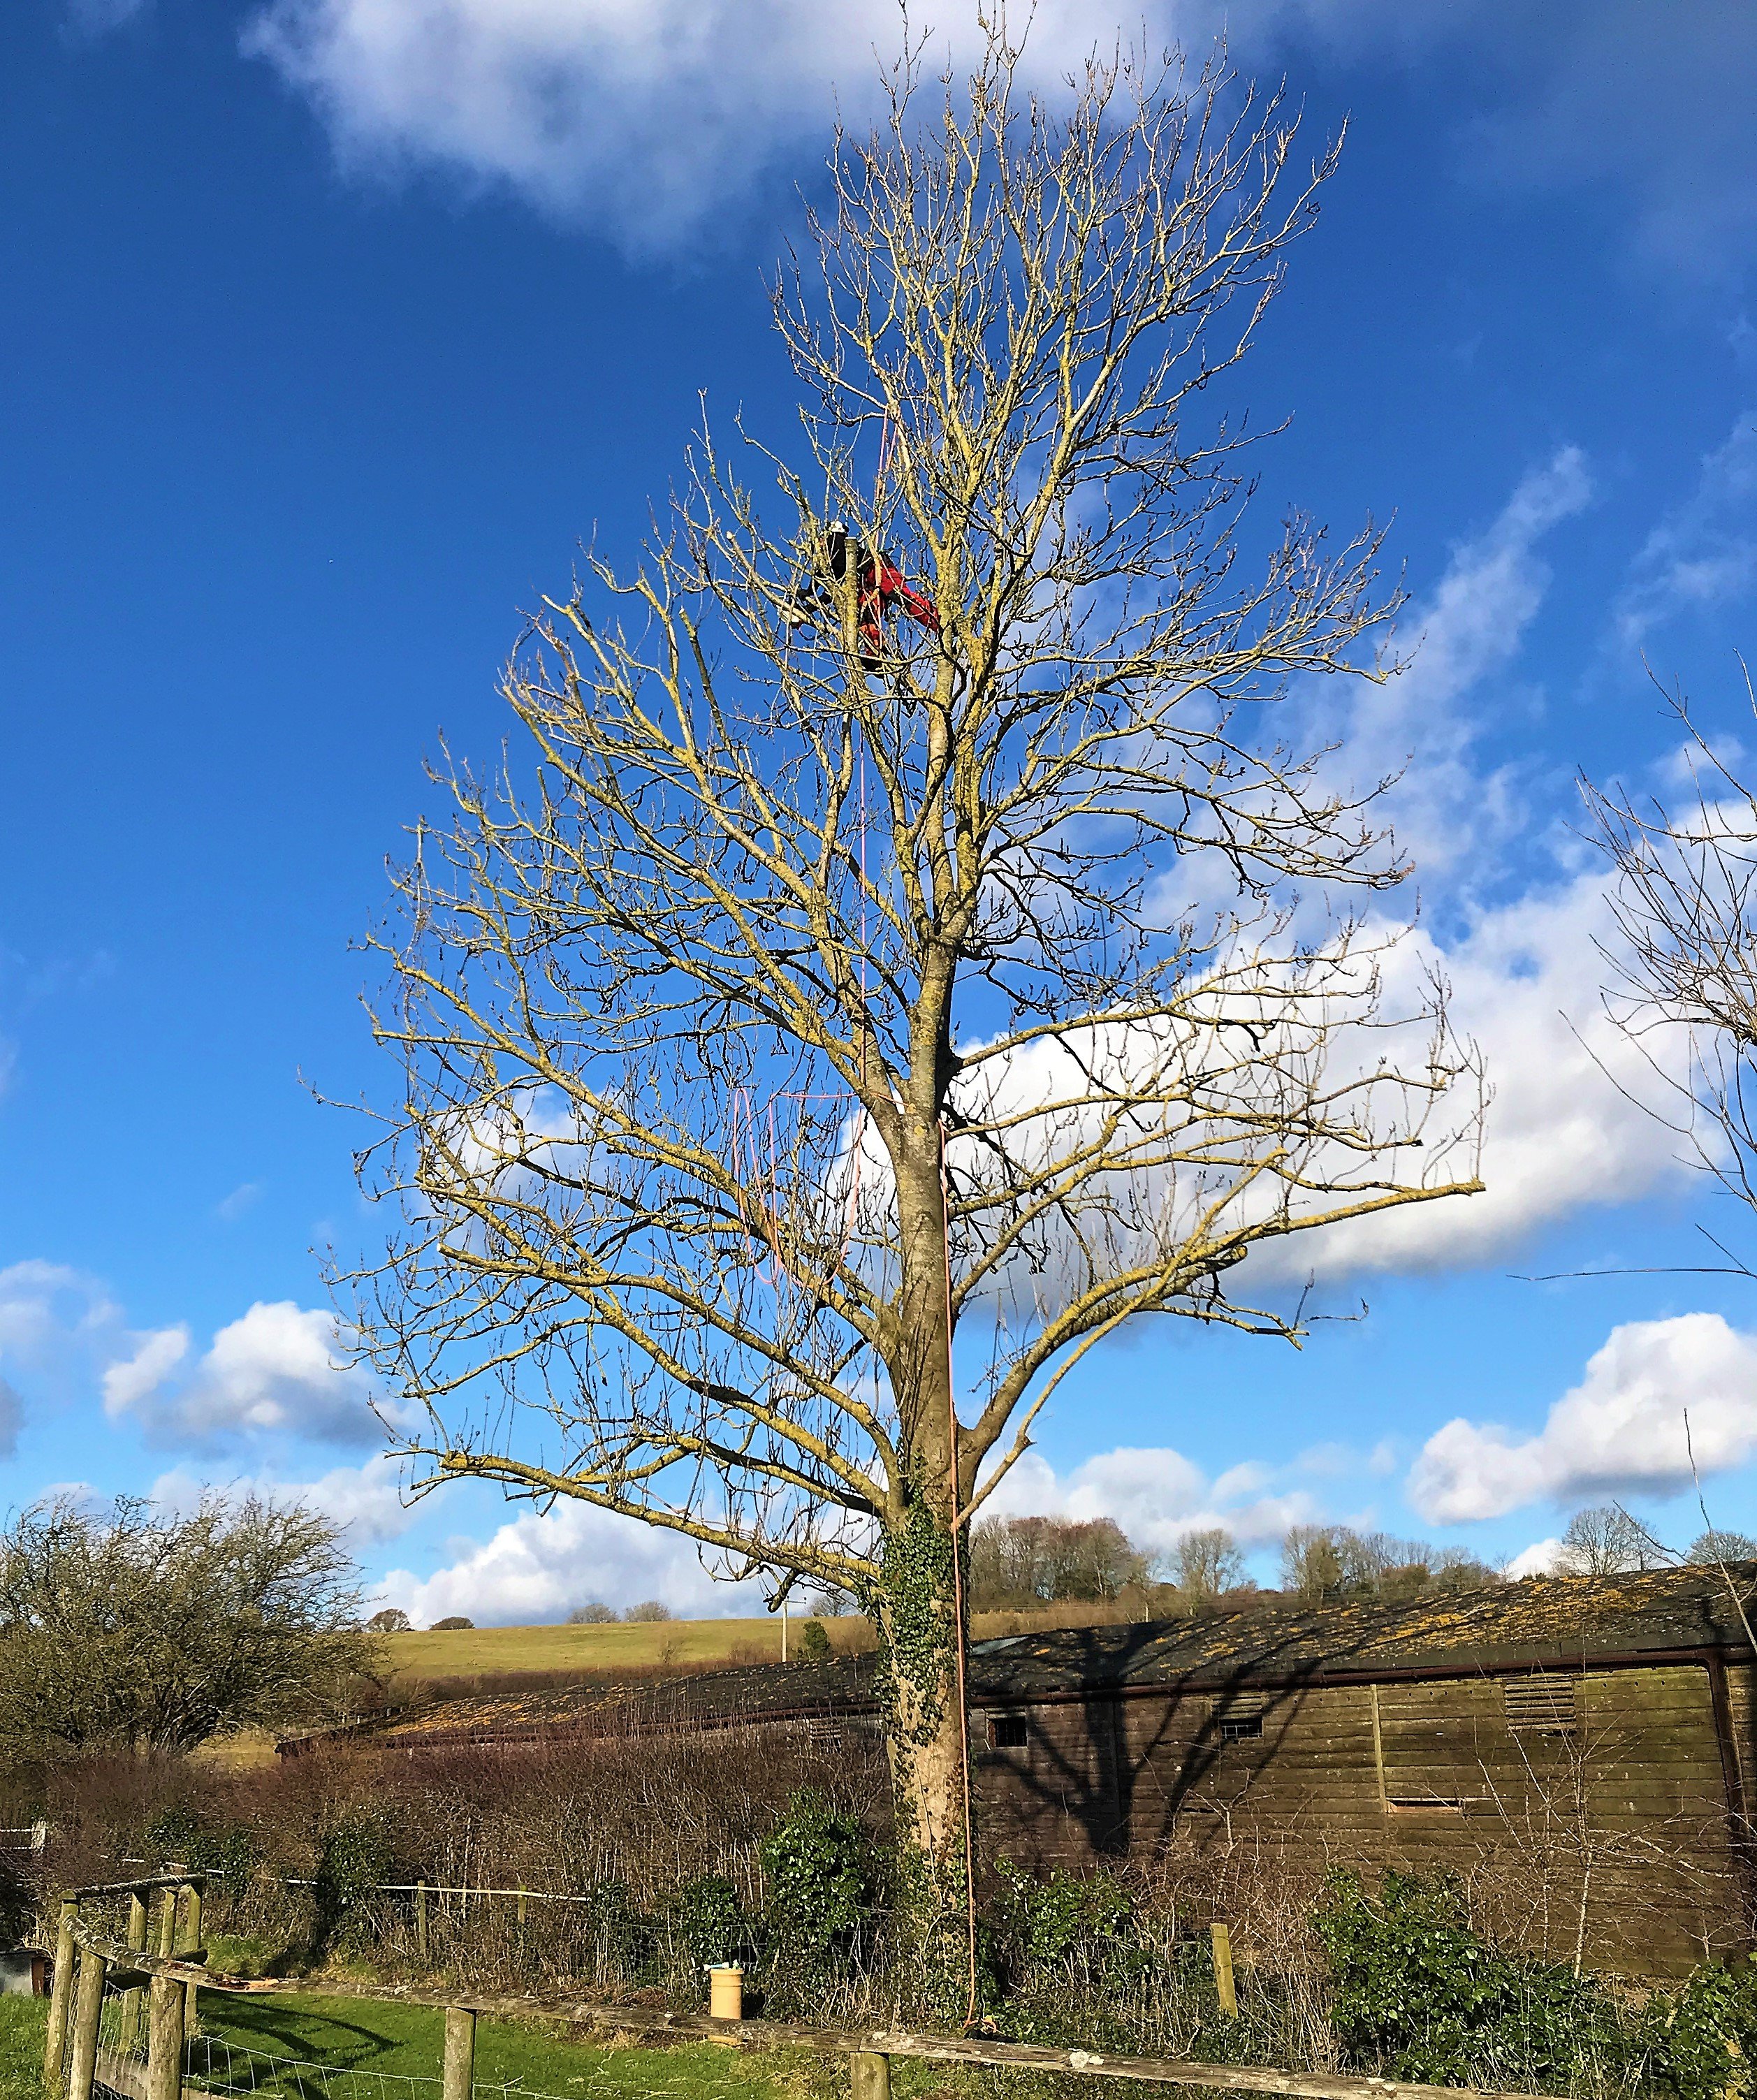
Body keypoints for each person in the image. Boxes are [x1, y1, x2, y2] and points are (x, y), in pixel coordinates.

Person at [784, 520, 940, 669]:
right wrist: (806, 601)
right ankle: (874, 654)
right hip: (865, 581)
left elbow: (828, 583)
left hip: (876, 569)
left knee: (898, 596)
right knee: (866, 614)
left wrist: (807, 602)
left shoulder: (835, 542)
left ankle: (937, 620)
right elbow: (828, 589)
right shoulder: (829, 560)